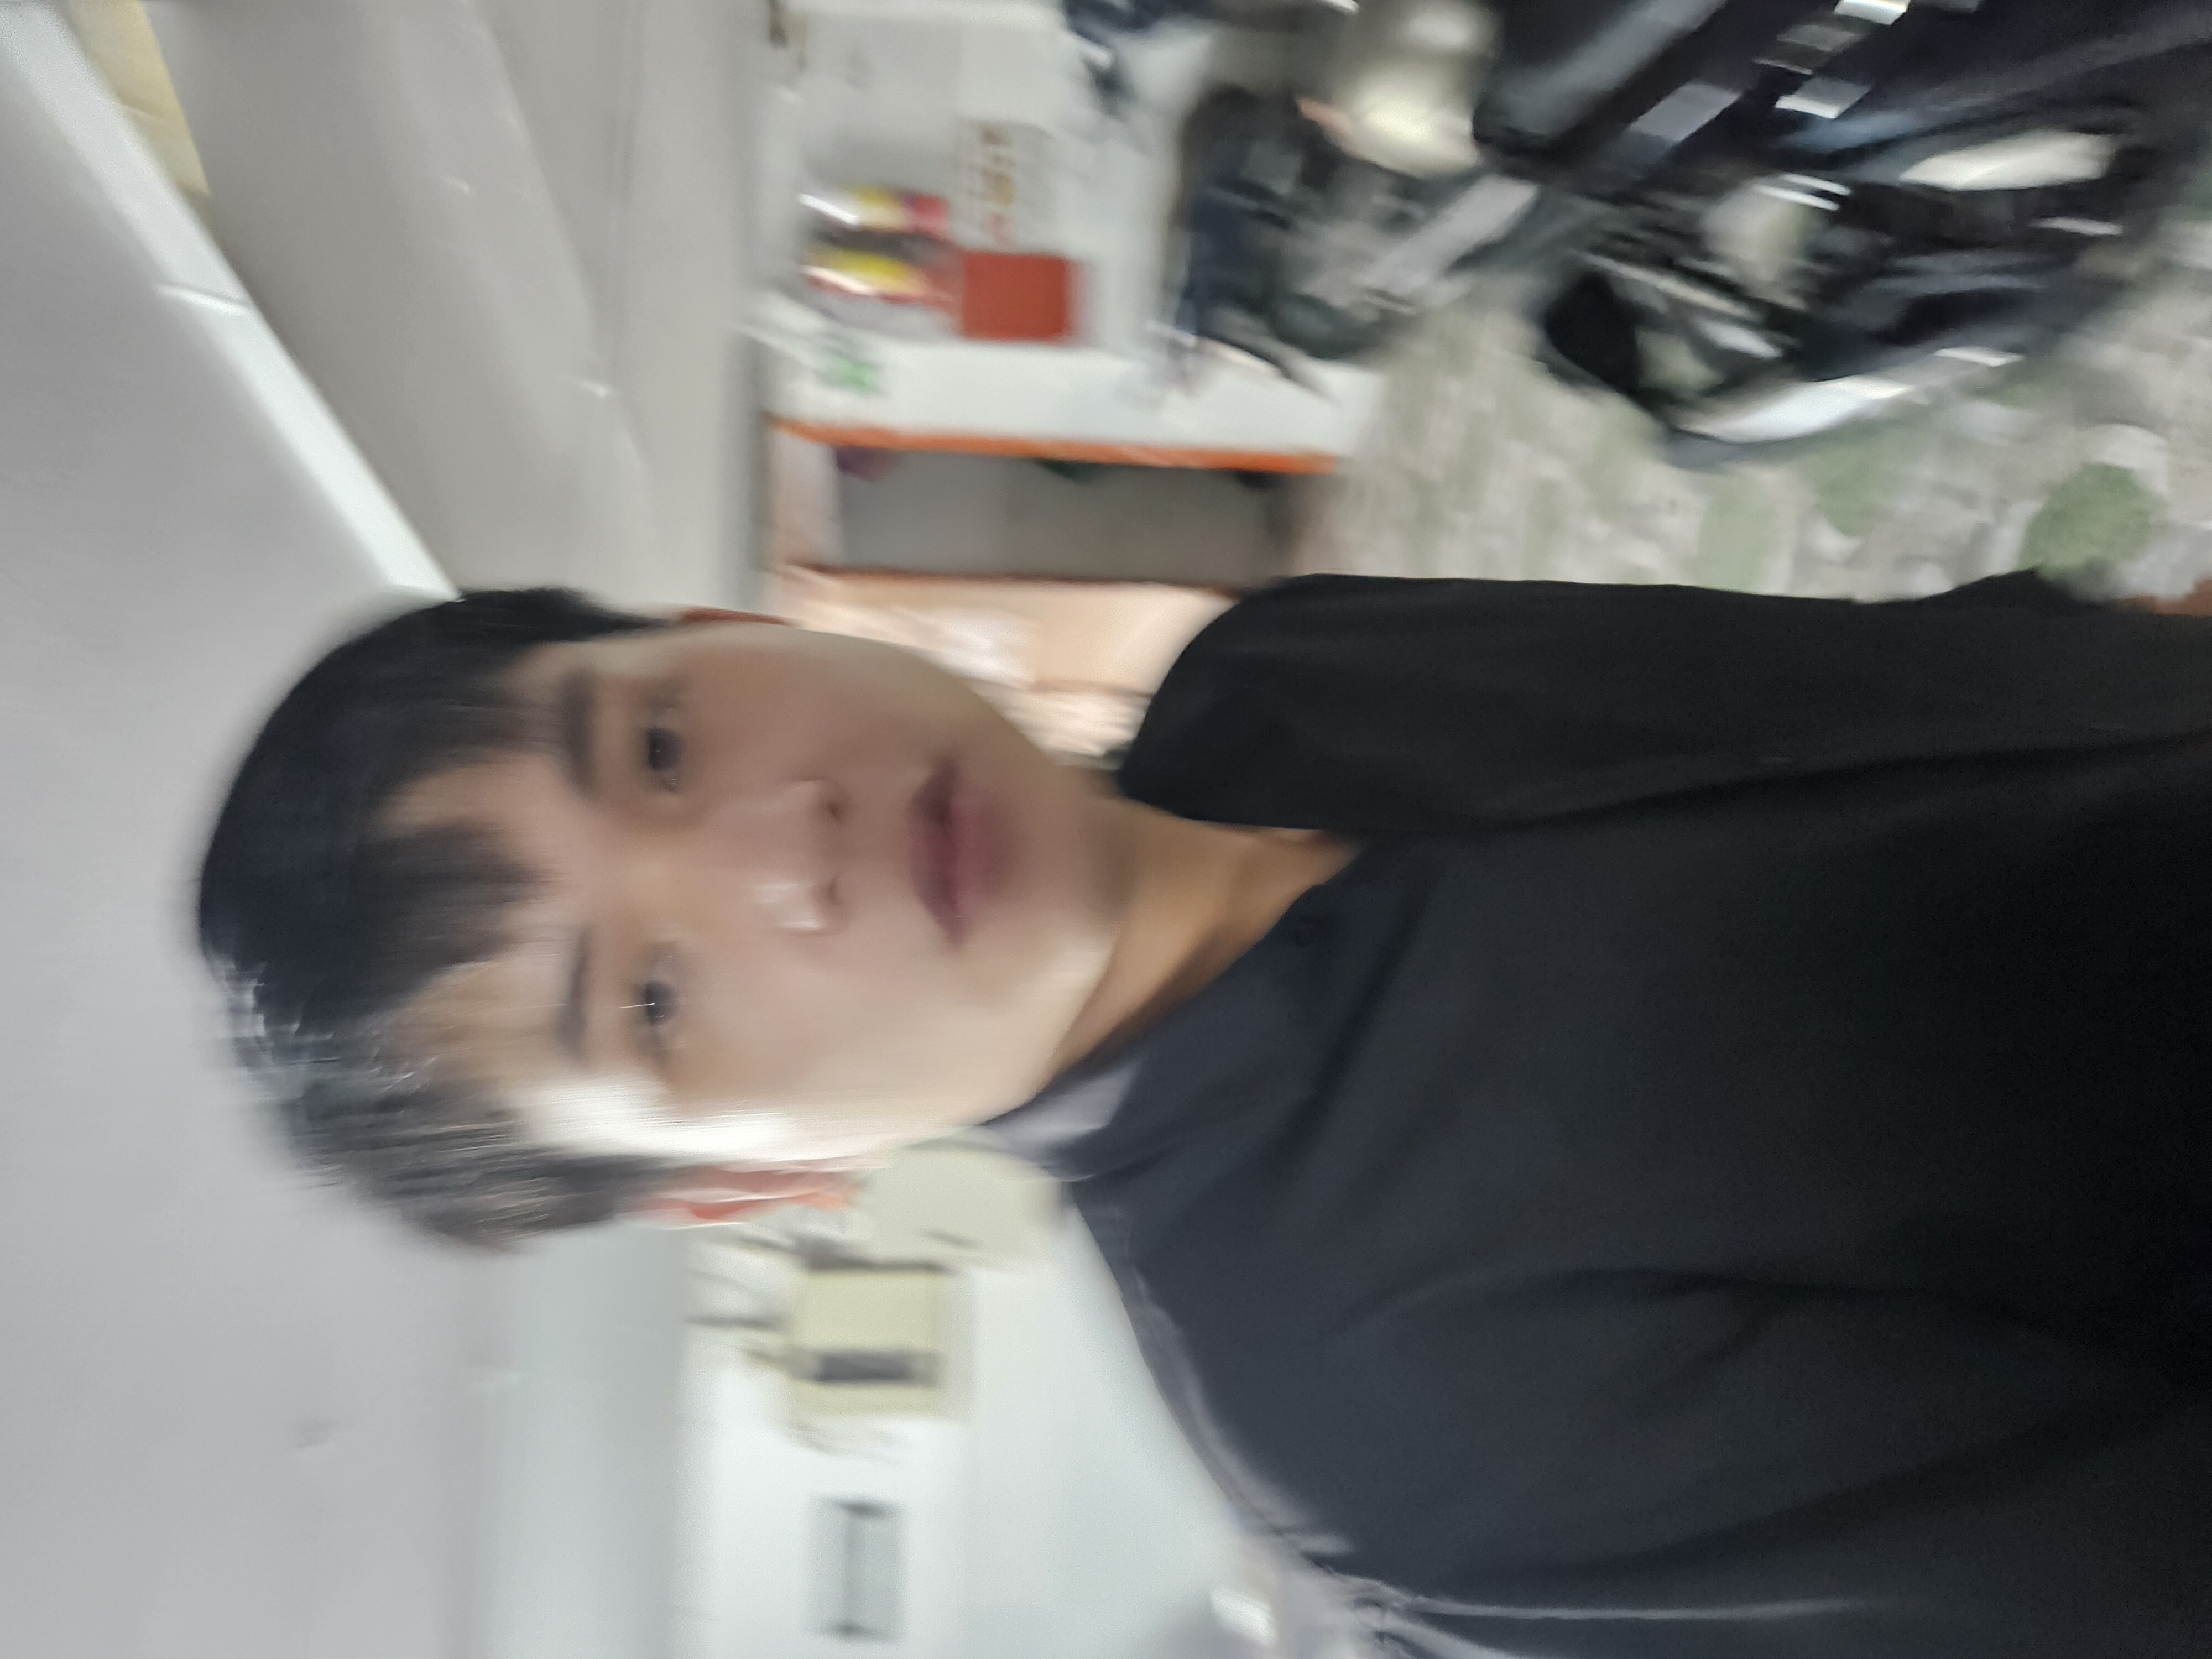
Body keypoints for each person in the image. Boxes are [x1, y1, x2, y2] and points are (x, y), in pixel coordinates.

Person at [197, 571, 2212, 1657]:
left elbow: (1924, 684)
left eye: (657, 742)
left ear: (727, 631)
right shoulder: (1399, 1435)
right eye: (652, 997)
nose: (781, 845)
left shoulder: (1285, 667)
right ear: (749, 1182)